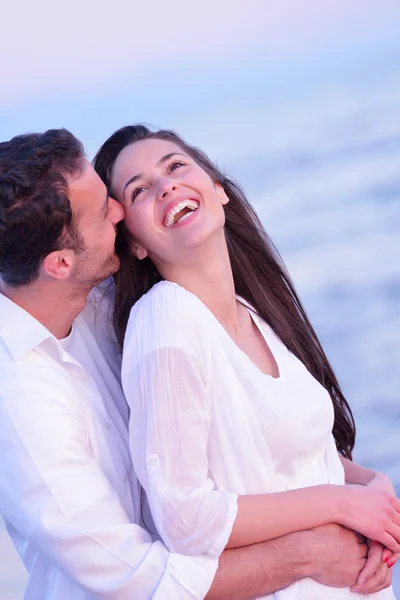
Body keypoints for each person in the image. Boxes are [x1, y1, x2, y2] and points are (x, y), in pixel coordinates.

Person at [0, 128, 372, 600]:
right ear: (59, 263)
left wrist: (365, 488)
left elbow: (251, 425)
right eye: (103, 212)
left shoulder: (97, 296)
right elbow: (141, 579)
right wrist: (310, 553)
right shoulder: (22, 407)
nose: (117, 212)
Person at [93, 124, 399, 599]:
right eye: (139, 191)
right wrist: (341, 505)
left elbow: (302, 456)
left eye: (175, 166)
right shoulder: (165, 318)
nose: (166, 186)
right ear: (134, 242)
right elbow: (184, 517)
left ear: (218, 190)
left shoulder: (254, 312)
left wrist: (373, 487)